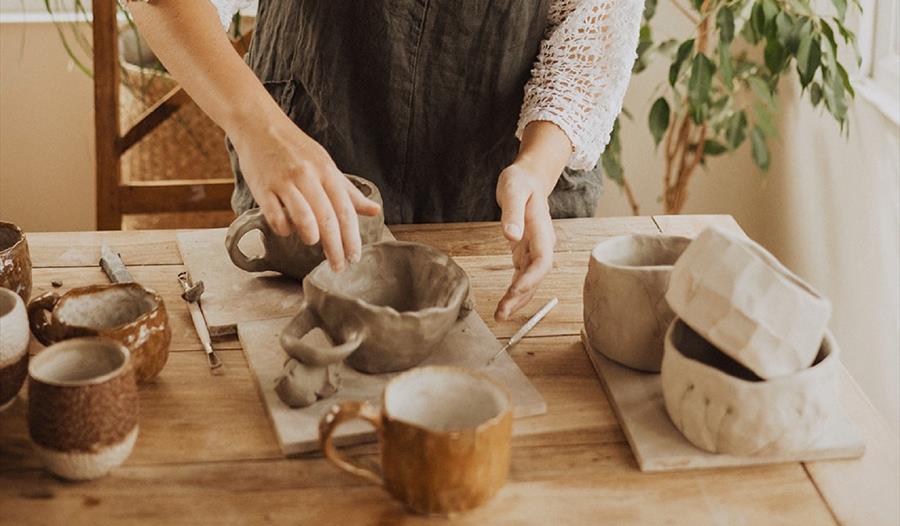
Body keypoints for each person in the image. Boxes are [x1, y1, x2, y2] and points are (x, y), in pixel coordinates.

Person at [126, 0, 642, 320]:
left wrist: (538, 164)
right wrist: (260, 130)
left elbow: (589, 27)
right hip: (313, 157)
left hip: (495, 201)